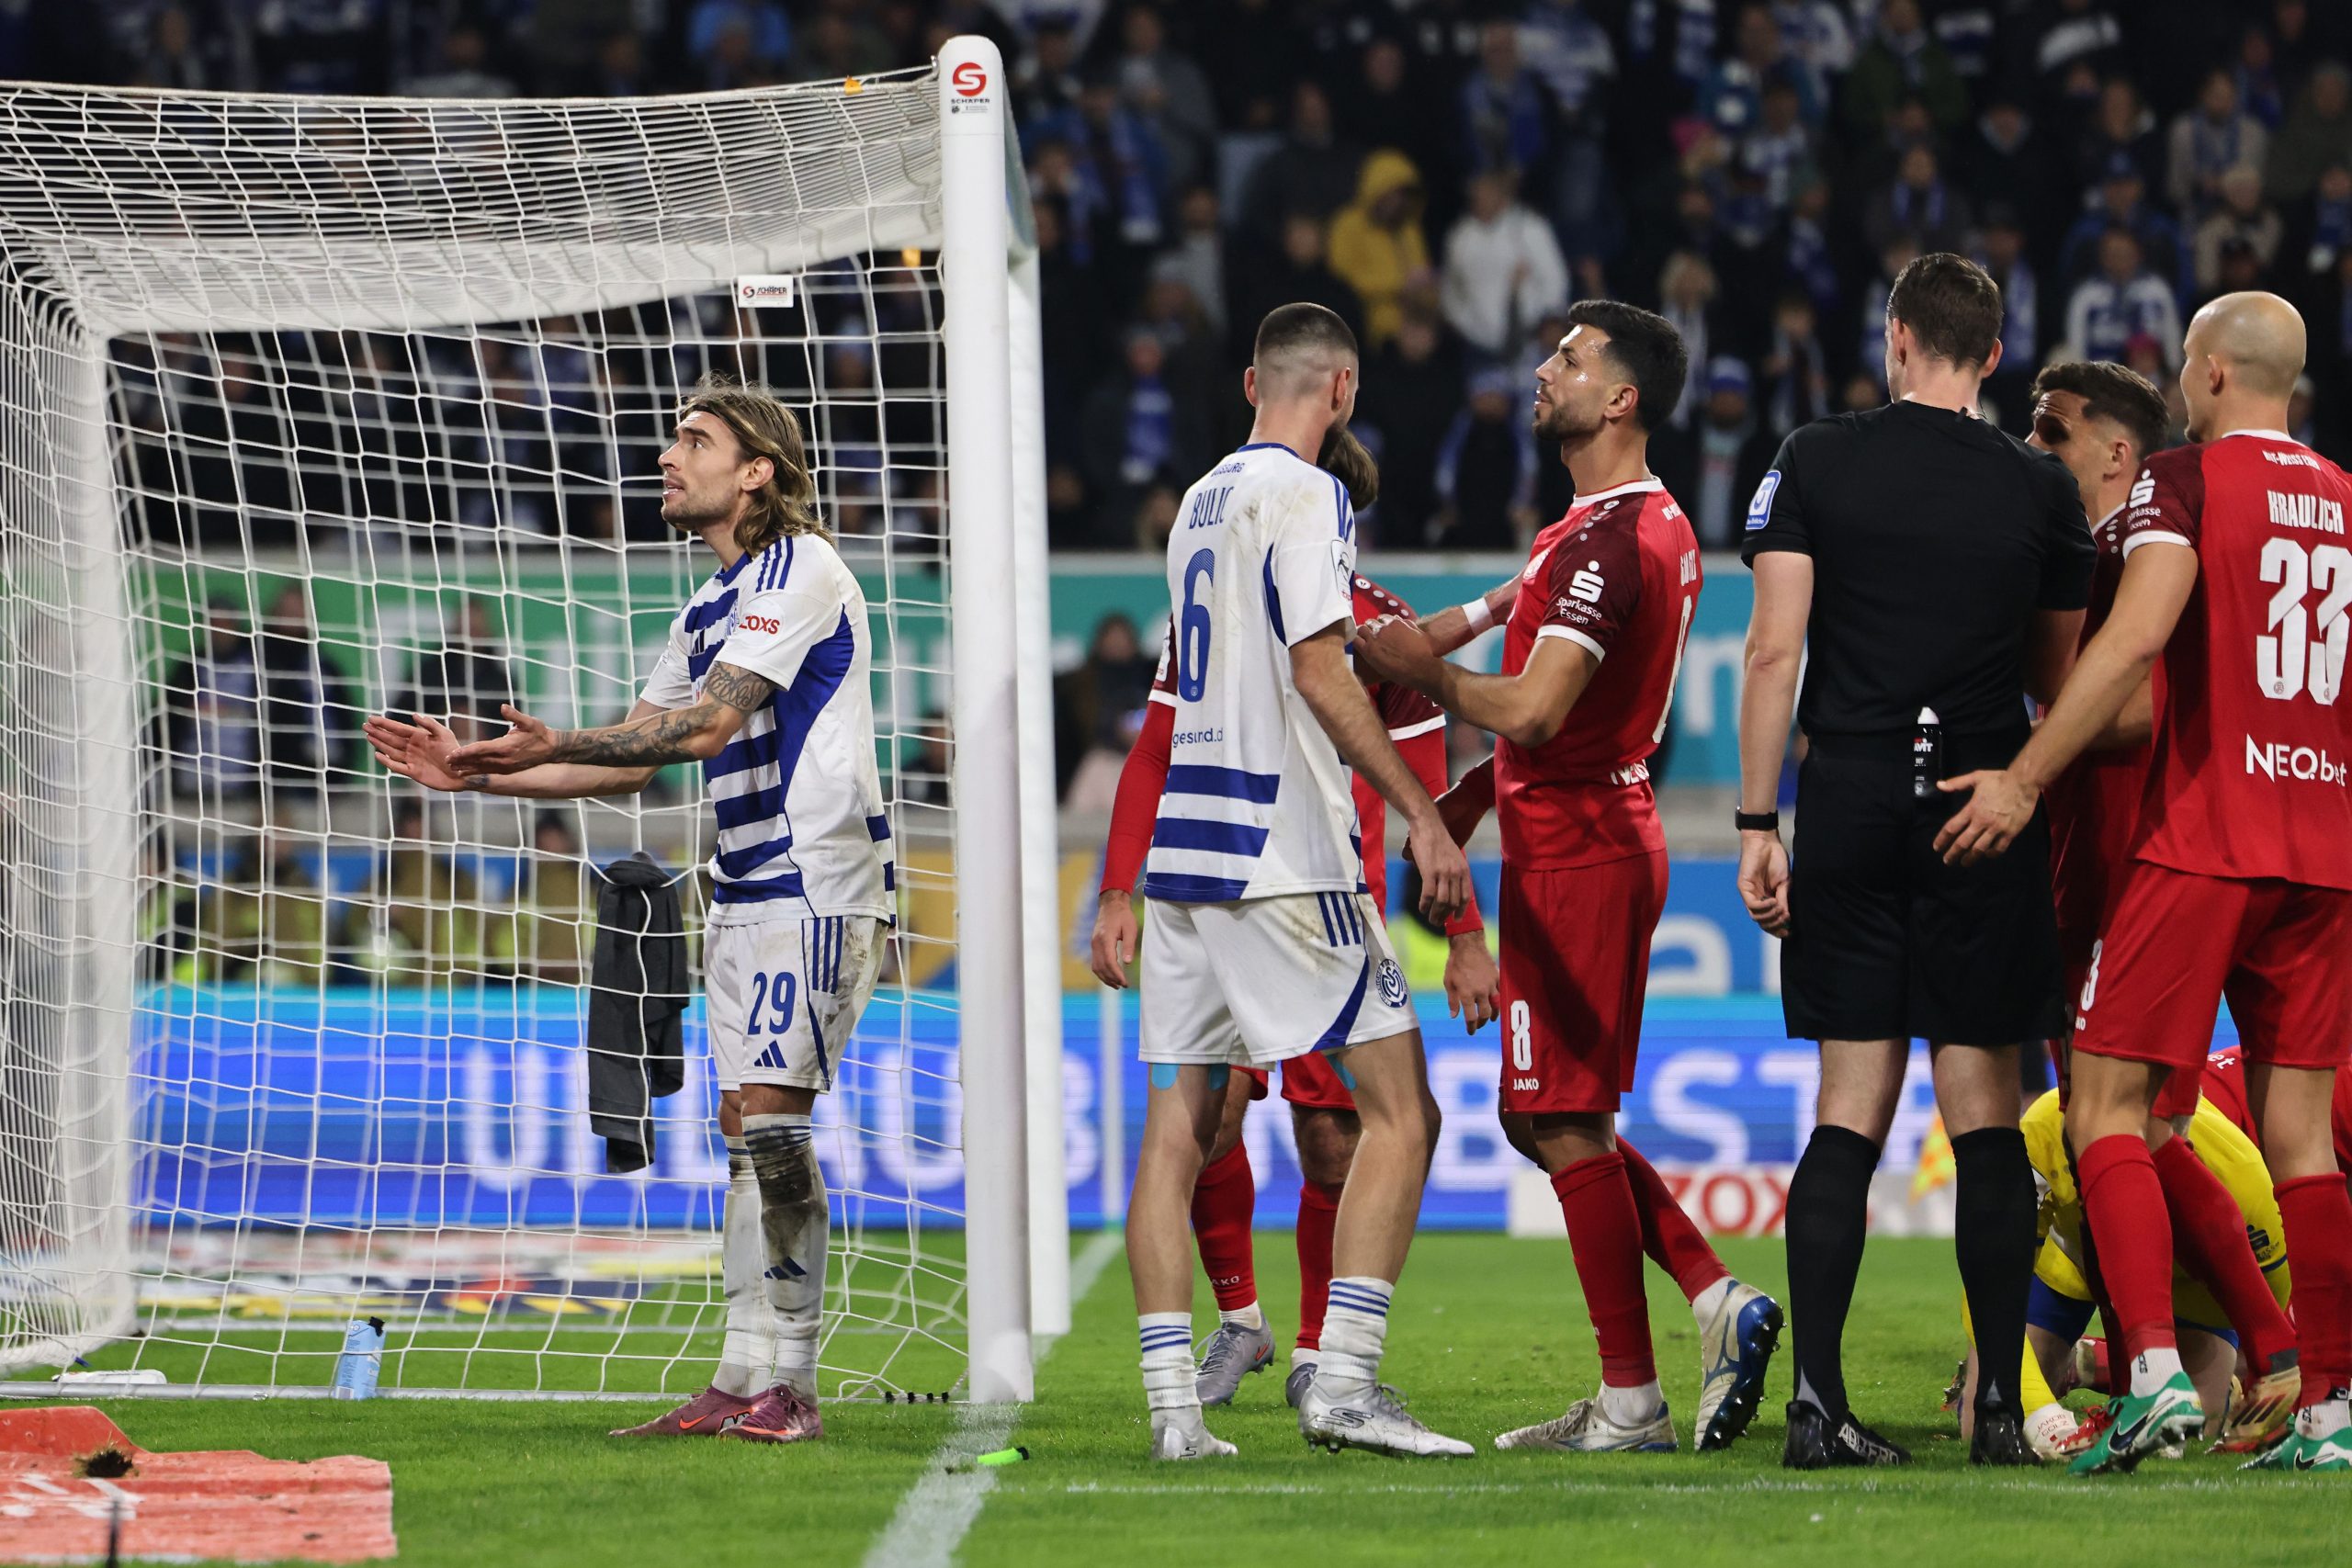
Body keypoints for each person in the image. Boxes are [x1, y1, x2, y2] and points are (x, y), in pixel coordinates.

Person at [366, 374, 894, 1448]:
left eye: (694, 440)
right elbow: (624, 766)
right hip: (742, 886)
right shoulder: (707, 602)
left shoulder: (802, 569)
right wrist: (478, 776)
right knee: (743, 1127)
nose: (667, 454)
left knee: (774, 1122)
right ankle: (740, 1372)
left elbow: (699, 734)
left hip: (818, 877)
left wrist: (555, 740)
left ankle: (792, 1382)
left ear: (757, 470)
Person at [1933, 291, 2352, 1475]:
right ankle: (2330, 1404)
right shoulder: (2345, 503)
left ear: (2210, 374)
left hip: (2203, 831)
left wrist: (2020, 774)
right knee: (2301, 1139)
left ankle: (2157, 1373)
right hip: (2322, 842)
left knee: (2105, 1105)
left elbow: (2137, 644)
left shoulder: (2184, 479)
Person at [1356, 301, 1783, 1455]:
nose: (1545, 372)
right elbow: (1486, 627)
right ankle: (1696, 1317)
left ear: (1622, 398)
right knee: (1543, 1112)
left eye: (1572, 360)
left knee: (1561, 1116)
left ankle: (1642, 1385)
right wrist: (1457, 775)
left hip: (1584, 848)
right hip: (1569, 836)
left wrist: (1421, 683)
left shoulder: (1610, 544)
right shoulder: (1584, 532)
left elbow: (1537, 709)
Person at [1736, 253, 2094, 1469]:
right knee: (1983, 1111)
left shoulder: (1814, 456)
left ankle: (1816, 1405)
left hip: (1849, 797)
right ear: (1992, 354)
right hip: (1981, 808)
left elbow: (1771, 654)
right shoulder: (2041, 485)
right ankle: (1999, 1403)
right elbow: (2059, 675)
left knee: (1850, 1107)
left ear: (1896, 339)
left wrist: (1753, 822)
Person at [1117, 301, 1472, 1461]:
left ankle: (1175, 1416)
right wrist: (1421, 814)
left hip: (1182, 858)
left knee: (1176, 1128)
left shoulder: (1196, 505)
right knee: (1400, 1112)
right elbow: (1321, 668)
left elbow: (1174, 711)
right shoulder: (1309, 494)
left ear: (1248, 383)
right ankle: (1347, 1383)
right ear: (1345, 391)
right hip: (1281, 852)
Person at [1091, 562, 1498, 1411]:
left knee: (1334, 1142)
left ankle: (1317, 1351)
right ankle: (1242, 1318)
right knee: (1204, 1128)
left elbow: (1424, 802)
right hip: (1217, 899)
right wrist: (1118, 888)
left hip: (1322, 911)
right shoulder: (1215, 610)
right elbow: (1155, 749)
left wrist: (1464, 935)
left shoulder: (1381, 631)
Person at [2022, 357, 2305, 1457]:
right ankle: (2228, 1357)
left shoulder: (2146, 551)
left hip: (2141, 862)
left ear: (2116, 455)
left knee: (2131, 1125)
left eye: (2055, 436)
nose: (2036, 452)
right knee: (2131, 1131)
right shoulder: (2098, 553)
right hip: (2095, 860)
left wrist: (2023, 757)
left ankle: (2212, 1357)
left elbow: (2144, 700)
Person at [1952, 1077, 2291, 1460]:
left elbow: (2268, 1324)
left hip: (2189, 1286)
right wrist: (2046, 1421)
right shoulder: (2044, 1133)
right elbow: (1987, 1288)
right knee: (1989, 1424)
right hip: (2072, 1256)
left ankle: (2096, 1366)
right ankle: (2096, 1372)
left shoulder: (2241, 1183)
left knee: (2184, 1437)